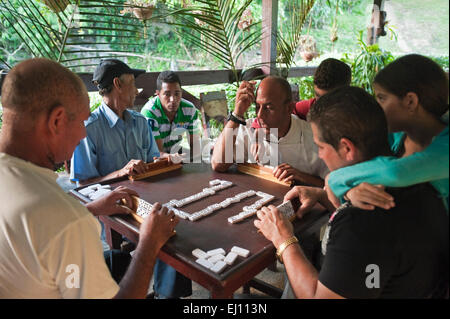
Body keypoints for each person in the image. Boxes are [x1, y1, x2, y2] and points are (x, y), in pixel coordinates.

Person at [0, 58, 178, 298]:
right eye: (82, 121)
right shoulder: (67, 220)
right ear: (57, 121)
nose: (84, 132)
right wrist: (148, 243)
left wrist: (90, 209)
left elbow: (39, 234)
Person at [255, 86, 449, 298]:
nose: (320, 155)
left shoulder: (359, 223)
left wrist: (284, 239)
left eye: (320, 146)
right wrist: (320, 194)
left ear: (346, 148)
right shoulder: (422, 183)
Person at [326, 54, 449, 211]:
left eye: (382, 98)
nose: (376, 107)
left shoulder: (445, 148)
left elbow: (395, 172)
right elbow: (359, 168)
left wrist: (335, 179)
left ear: (410, 101)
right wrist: (350, 191)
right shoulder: (396, 137)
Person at [211, 76, 328, 187]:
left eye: (268, 108)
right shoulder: (249, 130)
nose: (260, 114)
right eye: (257, 107)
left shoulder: (314, 138)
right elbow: (218, 164)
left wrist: (301, 176)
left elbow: (336, 189)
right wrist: (237, 114)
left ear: (288, 108)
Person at [70, 59, 160, 184]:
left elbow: (154, 162)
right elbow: (84, 184)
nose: (137, 91)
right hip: (110, 201)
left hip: (145, 196)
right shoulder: (88, 129)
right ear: (117, 84)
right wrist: (121, 172)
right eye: (133, 83)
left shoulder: (140, 122)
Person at [251, 58, 351, 128]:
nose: (322, 105)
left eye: (330, 100)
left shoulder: (358, 118)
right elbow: (271, 116)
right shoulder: (310, 107)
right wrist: (259, 137)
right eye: (318, 97)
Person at [141, 71, 201, 160]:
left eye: (177, 93)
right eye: (167, 94)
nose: (173, 99)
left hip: (175, 154)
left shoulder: (189, 109)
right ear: (158, 94)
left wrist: (189, 158)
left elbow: (195, 146)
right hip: (151, 160)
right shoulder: (150, 112)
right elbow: (157, 154)